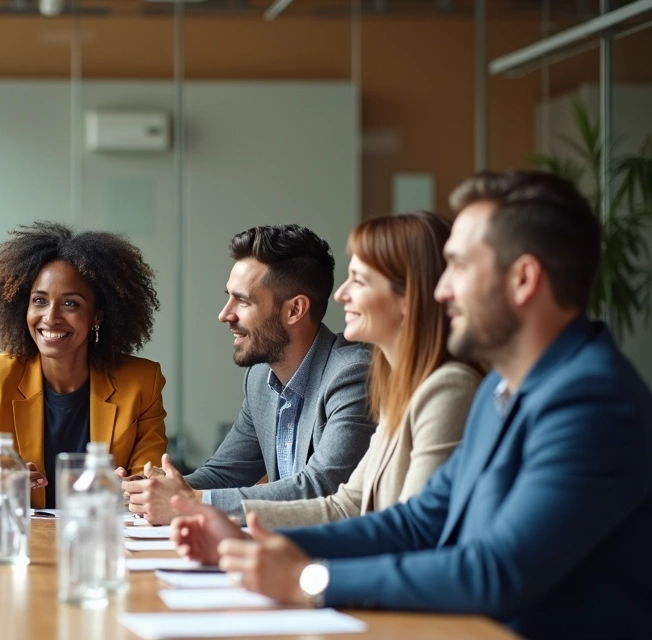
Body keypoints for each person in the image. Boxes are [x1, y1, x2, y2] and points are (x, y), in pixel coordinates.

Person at [206, 171, 652, 639]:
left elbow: (495, 571)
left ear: (523, 279)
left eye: (459, 267)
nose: (440, 291)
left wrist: (308, 578)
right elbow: (418, 522)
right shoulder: (502, 388)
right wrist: (250, 544)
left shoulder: (591, 402)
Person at [170, 212, 481, 555]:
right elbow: (344, 507)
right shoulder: (399, 390)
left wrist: (308, 579)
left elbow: (411, 532)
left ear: (409, 299)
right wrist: (236, 538)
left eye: (359, 281)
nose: (340, 295)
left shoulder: (442, 389)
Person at [122, 224, 375, 524]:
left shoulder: (352, 375)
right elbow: (224, 472)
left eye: (242, 301)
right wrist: (148, 488)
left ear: (295, 310)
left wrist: (191, 502)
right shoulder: (259, 379)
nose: (224, 314)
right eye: (229, 297)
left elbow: (321, 489)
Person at [0, 221, 169, 510]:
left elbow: (152, 482)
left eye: (71, 304)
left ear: (97, 316)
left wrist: (128, 490)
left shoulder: (141, 381)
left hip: (97, 540)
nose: (50, 317)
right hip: (19, 543)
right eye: (39, 300)